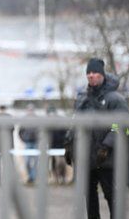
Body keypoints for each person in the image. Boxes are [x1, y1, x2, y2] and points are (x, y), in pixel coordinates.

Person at [64, 58, 128, 219]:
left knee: (112, 196)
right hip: (85, 158)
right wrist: (68, 144)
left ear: (102, 74)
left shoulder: (115, 99)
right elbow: (74, 123)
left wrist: (107, 145)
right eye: (89, 73)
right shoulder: (82, 99)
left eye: (95, 72)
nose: (91, 76)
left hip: (107, 159)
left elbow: (120, 125)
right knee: (89, 198)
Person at [46, 105, 68, 184]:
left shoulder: (61, 122)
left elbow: (66, 133)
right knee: (53, 163)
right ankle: (56, 178)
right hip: (52, 146)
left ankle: (63, 177)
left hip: (61, 146)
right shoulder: (48, 124)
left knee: (61, 163)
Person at [19, 103, 38, 184]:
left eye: (31, 110)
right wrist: (24, 139)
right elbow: (20, 132)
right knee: (27, 161)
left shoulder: (37, 119)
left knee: (36, 162)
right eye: (29, 110)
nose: (30, 111)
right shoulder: (24, 119)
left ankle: (33, 178)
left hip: (36, 143)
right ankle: (31, 177)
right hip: (27, 143)